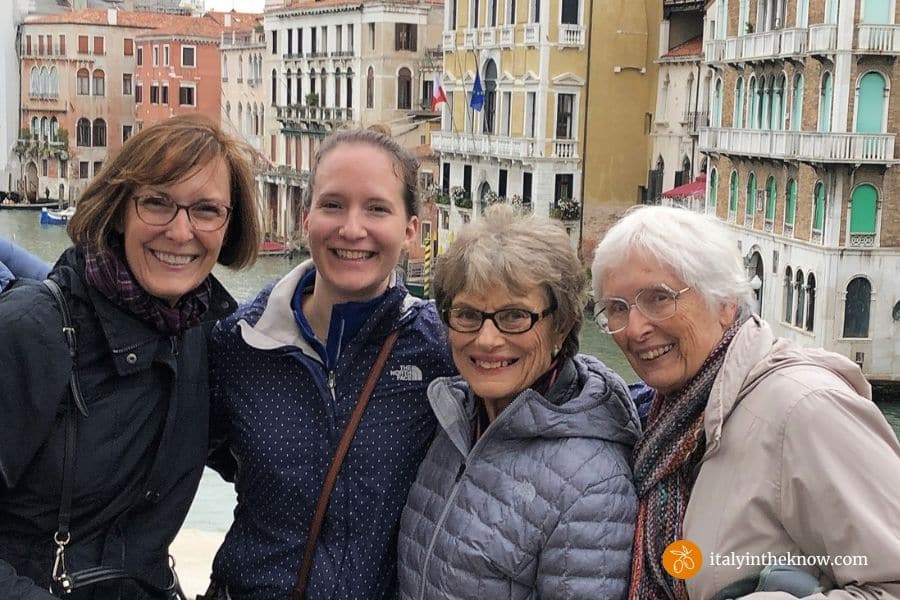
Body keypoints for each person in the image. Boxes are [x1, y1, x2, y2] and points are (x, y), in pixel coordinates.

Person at [0, 114, 260, 600]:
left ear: (228, 227)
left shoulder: (205, 338)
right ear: (119, 210)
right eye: (157, 203)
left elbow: (275, 465)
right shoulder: (29, 329)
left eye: (206, 210)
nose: (180, 232)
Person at [591, 205, 900, 600]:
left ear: (725, 303)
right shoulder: (666, 418)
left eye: (659, 298)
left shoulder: (807, 408)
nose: (634, 329)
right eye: (617, 308)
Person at [205, 129, 456, 600]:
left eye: (376, 208)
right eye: (333, 205)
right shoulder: (240, 343)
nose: (352, 229)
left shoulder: (439, 350)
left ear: (410, 230)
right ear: (307, 220)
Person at [397, 205, 640, 599]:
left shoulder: (593, 484)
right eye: (468, 314)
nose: (487, 339)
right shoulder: (452, 421)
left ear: (562, 326)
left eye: (514, 316)